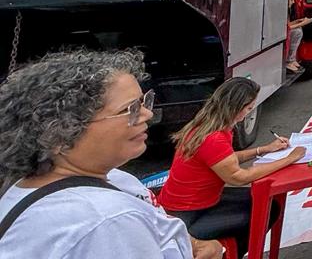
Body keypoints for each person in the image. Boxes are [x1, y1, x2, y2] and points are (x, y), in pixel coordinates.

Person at [0, 50, 220, 259]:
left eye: (144, 101)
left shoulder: (109, 180)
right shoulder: (105, 220)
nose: (148, 114)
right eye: (130, 109)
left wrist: (192, 244)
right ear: (58, 135)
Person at [159, 78, 303, 252]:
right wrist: (289, 159)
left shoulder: (207, 125)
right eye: (249, 108)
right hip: (189, 215)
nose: (249, 112)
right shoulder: (214, 138)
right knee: (267, 210)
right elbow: (238, 177)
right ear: (236, 108)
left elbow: (225, 159)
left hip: (186, 205)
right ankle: (230, 252)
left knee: (264, 200)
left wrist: (264, 149)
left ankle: (231, 250)